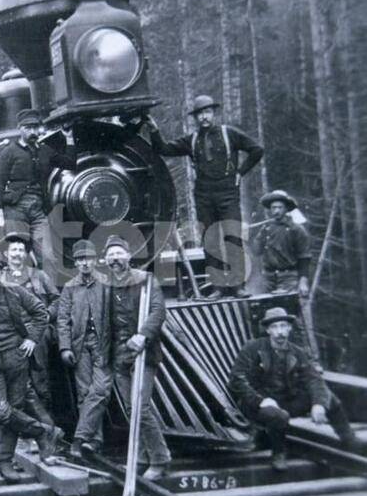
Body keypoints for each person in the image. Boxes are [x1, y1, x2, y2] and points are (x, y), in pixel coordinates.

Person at [146, 96, 264, 300]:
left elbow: (257, 150)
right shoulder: (191, 140)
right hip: (204, 194)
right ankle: (218, 287)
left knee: (232, 237)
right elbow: (164, 149)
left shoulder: (230, 134)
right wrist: (154, 130)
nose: (204, 117)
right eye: (200, 114)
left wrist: (240, 172)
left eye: (207, 112)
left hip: (228, 193)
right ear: (195, 118)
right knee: (210, 239)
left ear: (214, 113)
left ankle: (238, 287)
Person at [228, 307, 365, 471]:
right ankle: (279, 452)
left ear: (289, 328)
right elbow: (236, 379)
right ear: (268, 330)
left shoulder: (297, 352)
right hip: (256, 405)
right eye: (275, 327)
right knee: (279, 416)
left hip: (286, 400)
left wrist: (319, 404)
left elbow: (314, 379)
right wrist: (260, 400)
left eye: (284, 326)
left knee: (330, 398)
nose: (280, 332)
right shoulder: (252, 348)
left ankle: (348, 439)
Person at [0, 249, 64, 483]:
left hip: (16, 358)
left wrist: (32, 338)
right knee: (0, 412)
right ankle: (43, 431)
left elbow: (41, 313)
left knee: (14, 407)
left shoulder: (15, 292)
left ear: (2, 273)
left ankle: (4, 461)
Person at [103, 236, 170, 479]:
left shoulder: (146, 280)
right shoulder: (106, 285)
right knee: (131, 409)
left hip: (142, 352)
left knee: (140, 407)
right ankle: (141, 456)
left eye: (119, 253)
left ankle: (160, 459)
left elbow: (158, 310)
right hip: (119, 357)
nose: (115, 259)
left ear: (129, 256)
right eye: (110, 255)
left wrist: (143, 335)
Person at [0, 109, 77, 276]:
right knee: (19, 256)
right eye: (28, 128)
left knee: (48, 257)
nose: (32, 132)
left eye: (35, 128)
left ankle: (51, 297)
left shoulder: (45, 150)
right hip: (15, 210)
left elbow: (70, 164)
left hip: (38, 210)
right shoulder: (9, 152)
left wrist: (68, 138)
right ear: (20, 129)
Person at [57, 240, 114, 459]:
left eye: (88, 258)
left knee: (99, 390)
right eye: (81, 259)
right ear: (76, 263)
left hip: (103, 345)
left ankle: (80, 438)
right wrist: (65, 347)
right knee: (83, 394)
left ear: (96, 260)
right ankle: (95, 441)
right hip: (79, 345)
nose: (85, 263)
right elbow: (63, 319)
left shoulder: (107, 284)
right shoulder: (70, 288)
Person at [0, 231, 60, 415]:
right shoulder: (0, 277)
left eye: (21, 250)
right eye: (13, 250)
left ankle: (45, 417)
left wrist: (46, 316)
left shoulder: (39, 276)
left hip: (38, 330)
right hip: (12, 332)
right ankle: (20, 417)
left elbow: (57, 300)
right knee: (15, 376)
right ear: (6, 254)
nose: (17, 254)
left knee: (40, 375)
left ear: (26, 254)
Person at [253, 190, 311, 296]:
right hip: (268, 278)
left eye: (280, 207)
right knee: (264, 309)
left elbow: (304, 257)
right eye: (273, 208)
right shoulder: (266, 228)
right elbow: (256, 251)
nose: (276, 211)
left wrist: (303, 281)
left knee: (288, 309)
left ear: (286, 209)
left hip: (289, 278)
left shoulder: (296, 229)